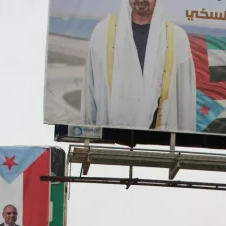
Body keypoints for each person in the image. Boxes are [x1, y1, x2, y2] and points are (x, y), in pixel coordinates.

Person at [83, 0, 197, 131]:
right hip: (111, 134)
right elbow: (91, 87)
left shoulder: (177, 37)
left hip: (158, 135)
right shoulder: (103, 32)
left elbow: (184, 98)